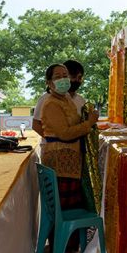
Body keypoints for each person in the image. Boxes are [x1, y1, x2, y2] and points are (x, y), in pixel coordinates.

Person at [40, 63, 98, 212]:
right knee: (66, 211)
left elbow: (74, 125)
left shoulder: (66, 100)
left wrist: (88, 118)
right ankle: (63, 236)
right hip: (60, 164)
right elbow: (65, 133)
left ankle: (73, 236)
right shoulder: (51, 104)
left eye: (65, 76)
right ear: (49, 83)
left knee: (73, 207)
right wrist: (89, 123)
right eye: (58, 77)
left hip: (70, 162)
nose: (63, 79)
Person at [32, 59, 86, 137]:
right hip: (53, 147)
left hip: (75, 146)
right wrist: (52, 140)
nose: (77, 80)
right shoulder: (46, 99)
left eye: (80, 77)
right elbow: (36, 125)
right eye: (73, 77)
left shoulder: (80, 100)